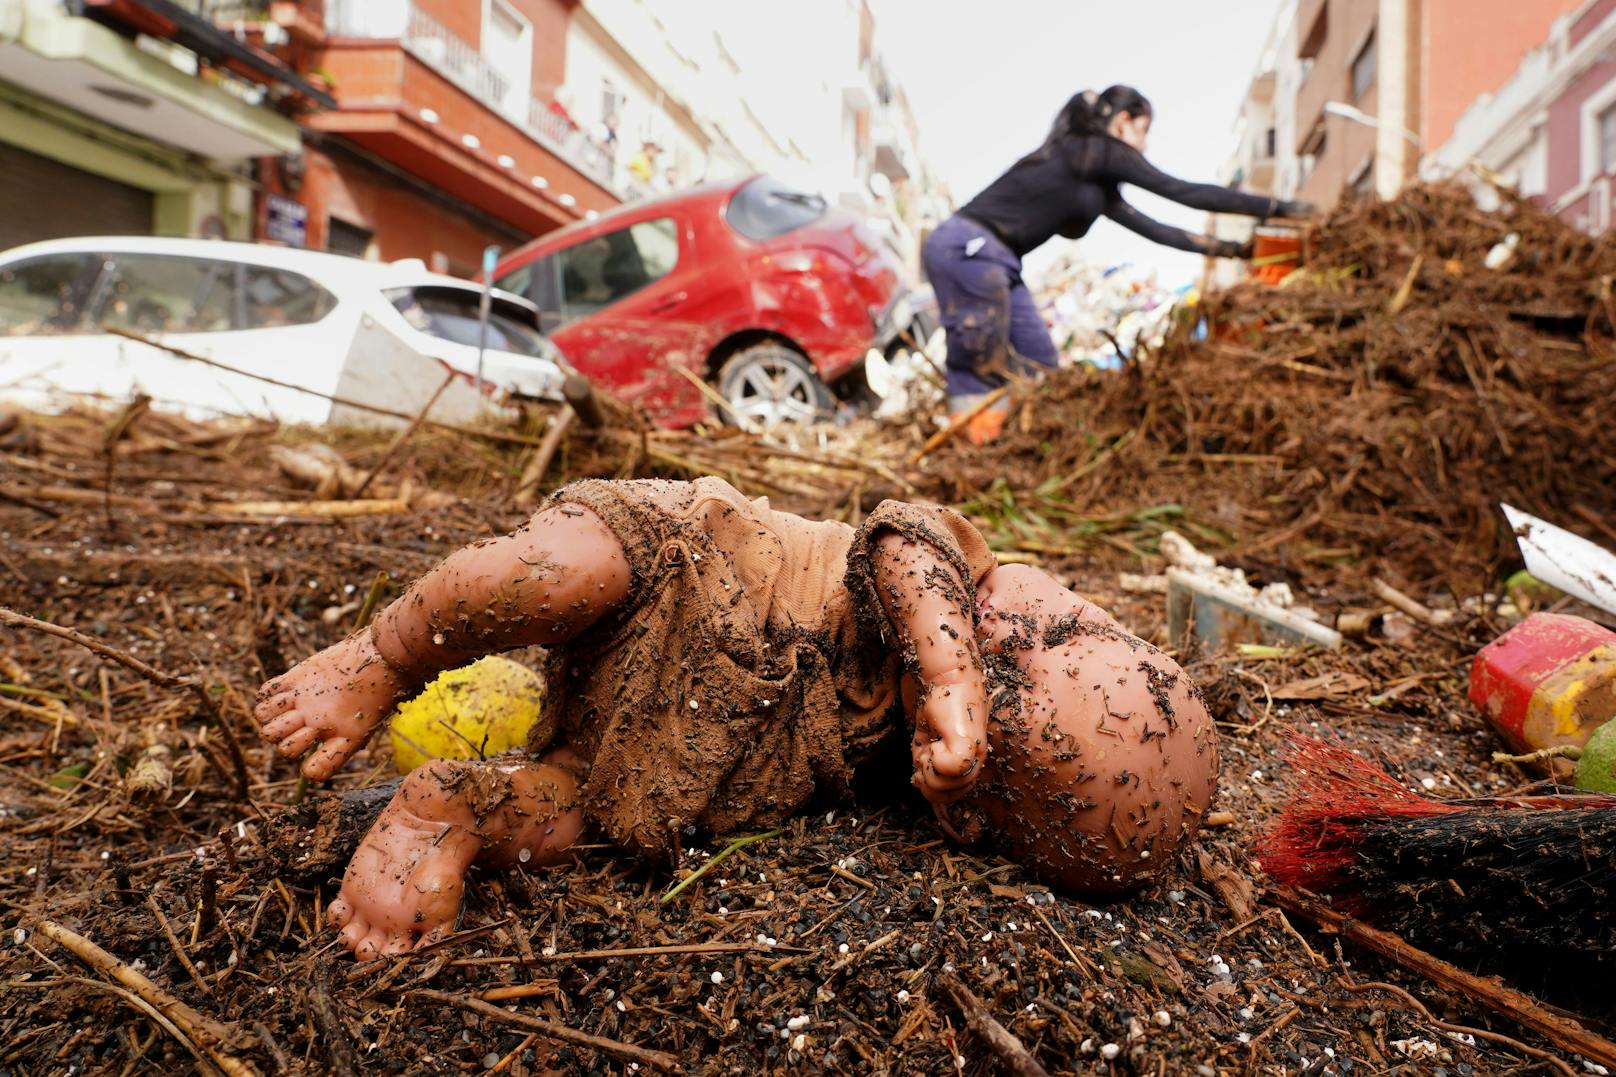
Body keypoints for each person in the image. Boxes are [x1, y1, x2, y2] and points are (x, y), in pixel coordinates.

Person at [254, 478, 1218, 961]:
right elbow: (901, 533)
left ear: (965, 811)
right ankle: (381, 654)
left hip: (666, 748)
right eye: (1071, 623)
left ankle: (449, 808)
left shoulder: (908, 776)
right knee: (551, 572)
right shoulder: (944, 583)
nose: (1025, 619)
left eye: (1021, 659)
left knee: (580, 815)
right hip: (674, 559)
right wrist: (954, 663)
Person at [923, 85, 1312, 445]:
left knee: (1039, 361)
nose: (1144, 144)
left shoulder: (1096, 180)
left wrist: (1234, 250)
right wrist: (1279, 208)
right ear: (1123, 122)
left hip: (1000, 258)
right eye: (1143, 130)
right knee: (978, 353)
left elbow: (1158, 230)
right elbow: (1182, 191)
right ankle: (969, 450)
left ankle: (1014, 445)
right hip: (967, 245)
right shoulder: (1094, 149)